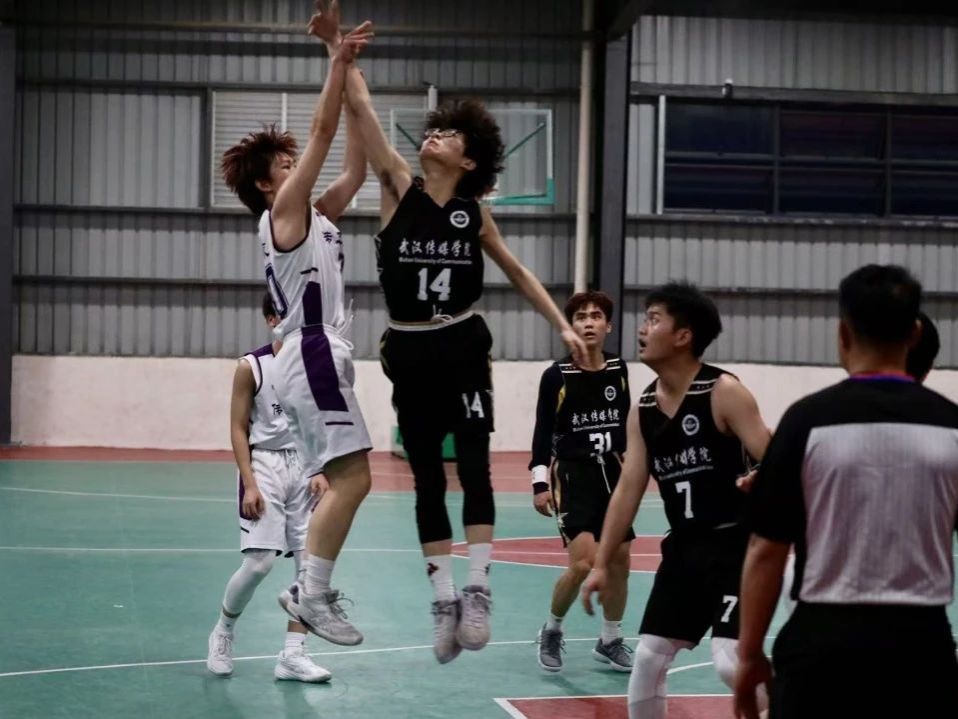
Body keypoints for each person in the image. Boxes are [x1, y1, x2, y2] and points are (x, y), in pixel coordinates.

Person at [307, 0, 587, 664]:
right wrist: (335, 51)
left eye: (448, 135)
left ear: (468, 160)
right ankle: (443, 599)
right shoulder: (396, 187)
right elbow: (360, 106)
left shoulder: (471, 213)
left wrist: (561, 325)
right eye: (432, 132)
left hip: (462, 341)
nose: (433, 136)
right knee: (427, 476)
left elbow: (516, 271)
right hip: (409, 347)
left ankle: (479, 589)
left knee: (475, 465)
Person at [734, 265, 958, 719]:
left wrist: (749, 653)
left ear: (842, 333)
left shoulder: (805, 421)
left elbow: (765, 550)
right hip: (921, 649)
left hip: (822, 648)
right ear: (915, 333)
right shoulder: (951, 426)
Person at [221, 4, 373, 646]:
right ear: (267, 183)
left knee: (349, 477)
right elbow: (321, 131)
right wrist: (334, 60)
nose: (296, 168)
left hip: (320, 351)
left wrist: (353, 78)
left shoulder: (316, 214)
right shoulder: (283, 210)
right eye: (284, 165)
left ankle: (310, 590)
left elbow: (356, 167)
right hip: (310, 348)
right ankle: (310, 593)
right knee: (354, 478)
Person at [581, 281, 772, 719]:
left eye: (653, 319)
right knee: (648, 660)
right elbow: (628, 489)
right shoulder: (643, 409)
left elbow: (776, 458)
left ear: (683, 335)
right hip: (684, 550)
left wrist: (765, 475)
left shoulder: (723, 391)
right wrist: (601, 563)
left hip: (737, 548)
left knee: (730, 662)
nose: (641, 329)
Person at [207, 294, 330, 682]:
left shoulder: (313, 366)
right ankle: (223, 630)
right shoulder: (251, 367)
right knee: (259, 563)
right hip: (264, 464)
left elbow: (319, 421)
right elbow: (237, 427)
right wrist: (249, 483)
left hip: (305, 466)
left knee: (310, 567)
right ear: (271, 319)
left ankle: (293, 654)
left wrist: (320, 467)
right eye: (285, 316)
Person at [529, 291, 634, 673]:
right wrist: (540, 482)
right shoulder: (556, 375)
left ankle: (609, 639)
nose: (589, 323)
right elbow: (542, 430)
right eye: (581, 317)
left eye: (596, 316)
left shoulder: (618, 368)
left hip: (613, 474)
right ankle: (552, 629)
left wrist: (636, 463)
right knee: (584, 563)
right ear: (570, 327)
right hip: (573, 476)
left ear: (609, 326)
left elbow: (625, 421)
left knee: (620, 561)